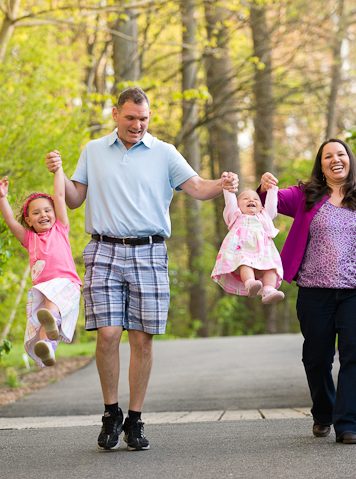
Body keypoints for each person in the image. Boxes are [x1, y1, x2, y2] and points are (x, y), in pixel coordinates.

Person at [46, 87, 238, 451]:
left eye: (143, 118)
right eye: (131, 117)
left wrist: (223, 184)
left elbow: (197, 187)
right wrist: (58, 174)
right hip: (103, 249)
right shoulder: (93, 150)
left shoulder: (164, 153)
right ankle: (110, 413)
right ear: (115, 113)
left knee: (142, 339)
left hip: (150, 252)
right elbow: (73, 199)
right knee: (107, 334)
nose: (137, 124)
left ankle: (134, 419)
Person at [259, 139, 356, 444]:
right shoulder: (304, 196)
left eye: (341, 154)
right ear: (320, 164)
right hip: (314, 291)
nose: (335, 159)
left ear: (350, 160)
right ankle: (323, 412)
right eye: (328, 156)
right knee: (316, 358)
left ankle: (348, 424)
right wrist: (265, 187)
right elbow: (267, 204)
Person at [0, 154, 82, 368]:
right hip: (45, 290)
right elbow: (9, 220)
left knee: (49, 307)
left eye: (47, 210)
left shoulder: (60, 228)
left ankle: (51, 322)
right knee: (42, 320)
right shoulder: (29, 238)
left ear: (55, 213)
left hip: (66, 284)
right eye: (36, 213)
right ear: (28, 220)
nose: (43, 215)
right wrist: (2, 198)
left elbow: (60, 196)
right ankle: (48, 349)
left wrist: (58, 171)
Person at [211, 185, 285, 303]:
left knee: (271, 267)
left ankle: (268, 290)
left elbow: (271, 206)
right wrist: (227, 186)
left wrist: (271, 189)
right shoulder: (235, 216)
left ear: (261, 206)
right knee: (245, 262)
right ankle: (250, 283)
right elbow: (230, 202)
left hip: (262, 254)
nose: (251, 200)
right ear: (238, 205)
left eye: (256, 199)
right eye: (245, 198)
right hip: (242, 252)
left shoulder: (264, 217)